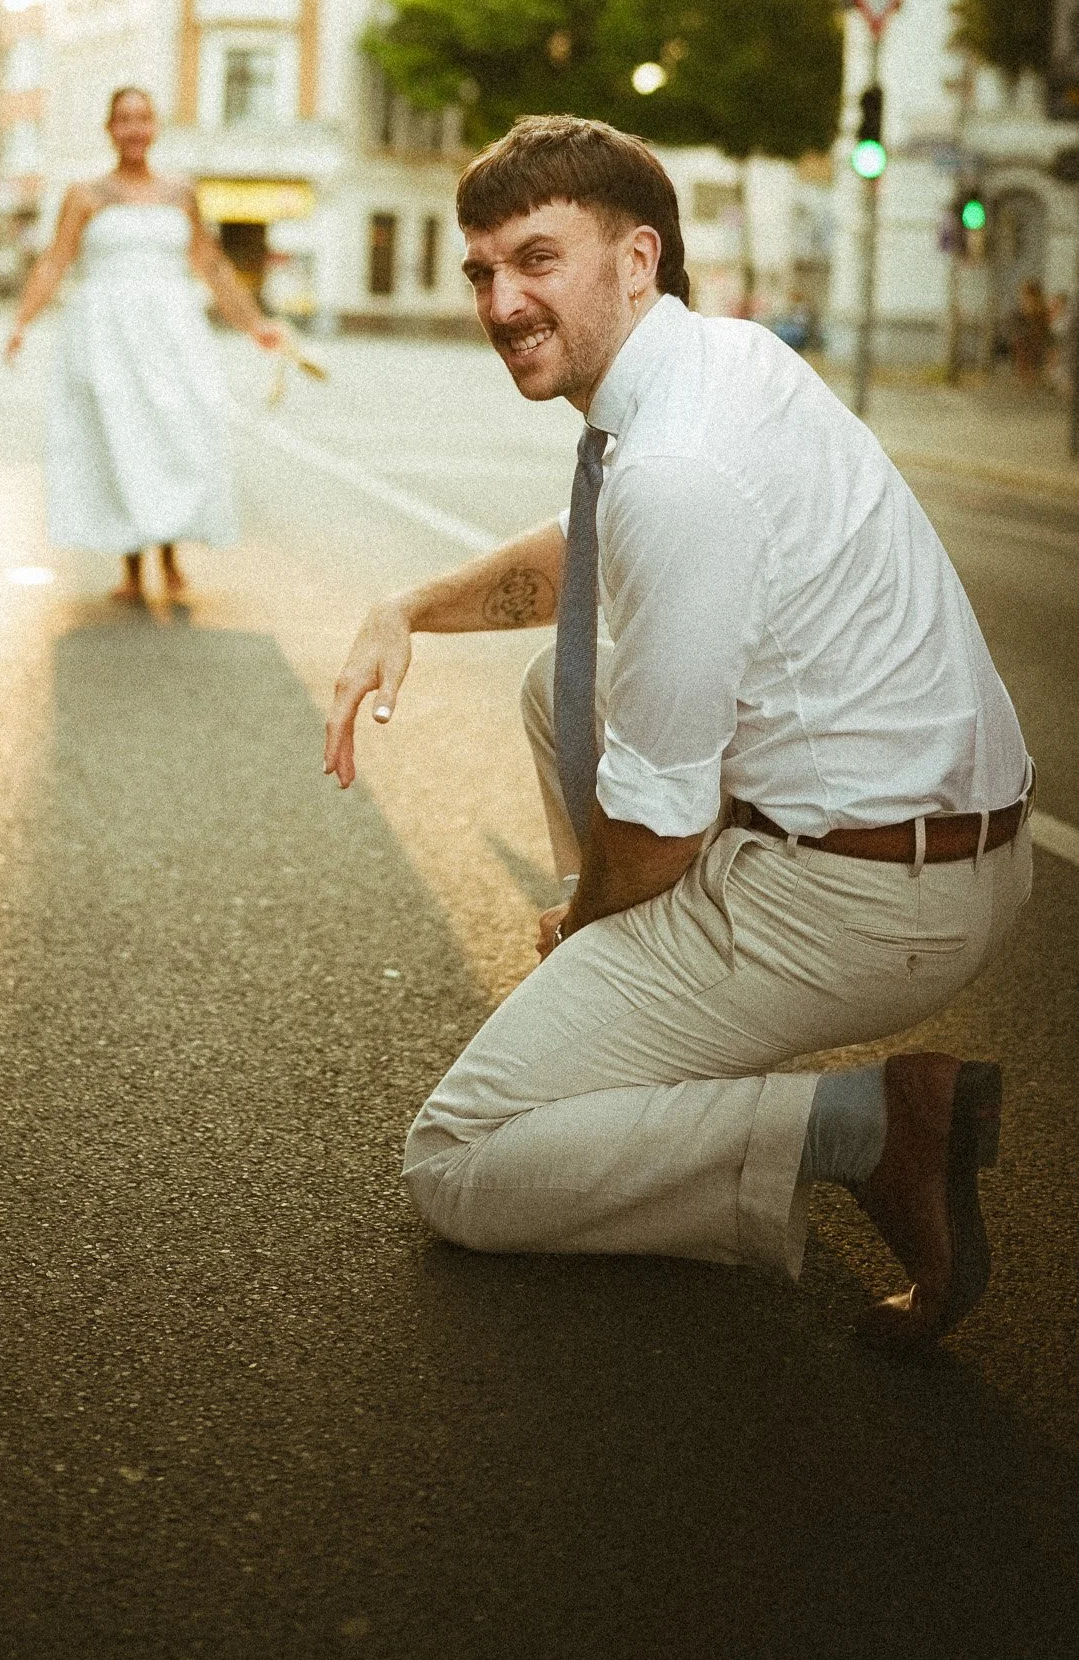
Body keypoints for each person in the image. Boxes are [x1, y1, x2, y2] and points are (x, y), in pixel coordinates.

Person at [325, 115, 1032, 1351]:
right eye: (480, 270)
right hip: (901, 844)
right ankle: (644, 1030)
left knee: (457, 1160)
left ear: (636, 258)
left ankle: (872, 1127)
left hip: (869, 895)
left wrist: (587, 932)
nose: (501, 300)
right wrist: (407, 609)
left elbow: (654, 828)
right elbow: (586, 561)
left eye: (536, 259)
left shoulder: (680, 469)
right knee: (563, 681)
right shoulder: (717, 363)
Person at [5, 86, 283, 602]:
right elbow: (55, 262)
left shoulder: (181, 193)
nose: (135, 129)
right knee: (121, 437)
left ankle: (171, 557)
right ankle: (132, 567)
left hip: (172, 334)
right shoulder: (85, 194)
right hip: (105, 336)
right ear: (110, 129)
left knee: (176, 433)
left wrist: (255, 324)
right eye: (124, 120)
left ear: (155, 127)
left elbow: (212, 265)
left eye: (144, 119)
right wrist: (22, 321)